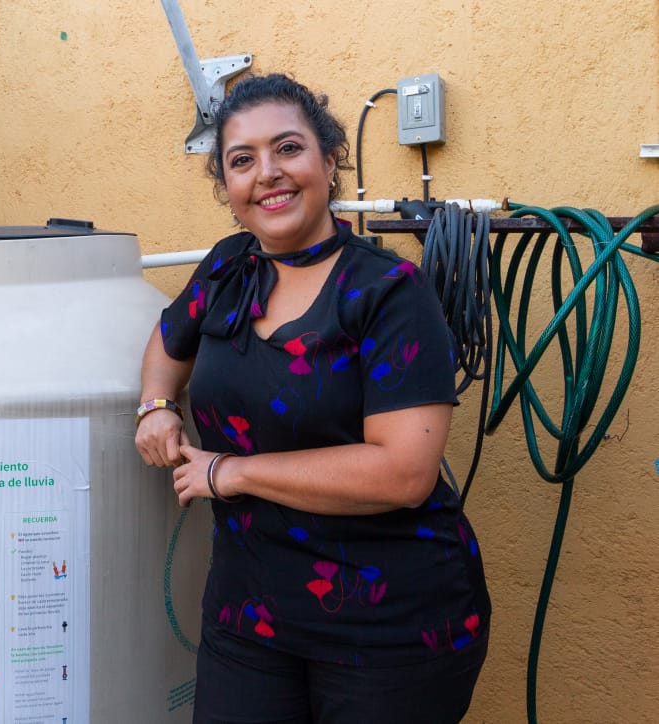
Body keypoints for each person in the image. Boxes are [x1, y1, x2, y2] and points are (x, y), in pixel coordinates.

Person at [134, 73, 490, 724]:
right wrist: (156, 405)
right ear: (228, 187)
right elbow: (167, 338)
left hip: (389, 627)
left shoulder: (390, 293)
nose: (267, 173)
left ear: (330, 160)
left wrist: (230, 471)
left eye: (288, 149)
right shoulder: (225, 268)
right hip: (250, 616)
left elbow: (403, 472)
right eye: (242, 161)